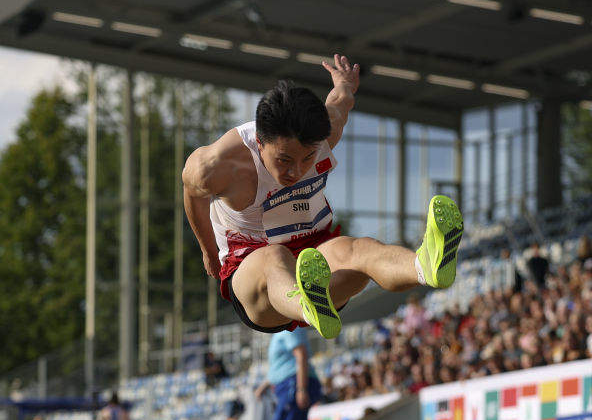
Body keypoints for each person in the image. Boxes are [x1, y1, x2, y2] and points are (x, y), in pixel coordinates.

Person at [182, 54, 464, 340]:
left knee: (358, 249)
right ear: (259, 142)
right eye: (284, 159)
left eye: (307, 158)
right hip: (254, 276)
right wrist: (208, 251)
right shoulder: (218, 165)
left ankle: (424, 266)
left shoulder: (327, 129)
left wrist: (344, 83)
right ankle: (306, 303)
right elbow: (192, 193)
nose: (295, 171)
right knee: (274, 257)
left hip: (314, 257)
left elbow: (341, 99)